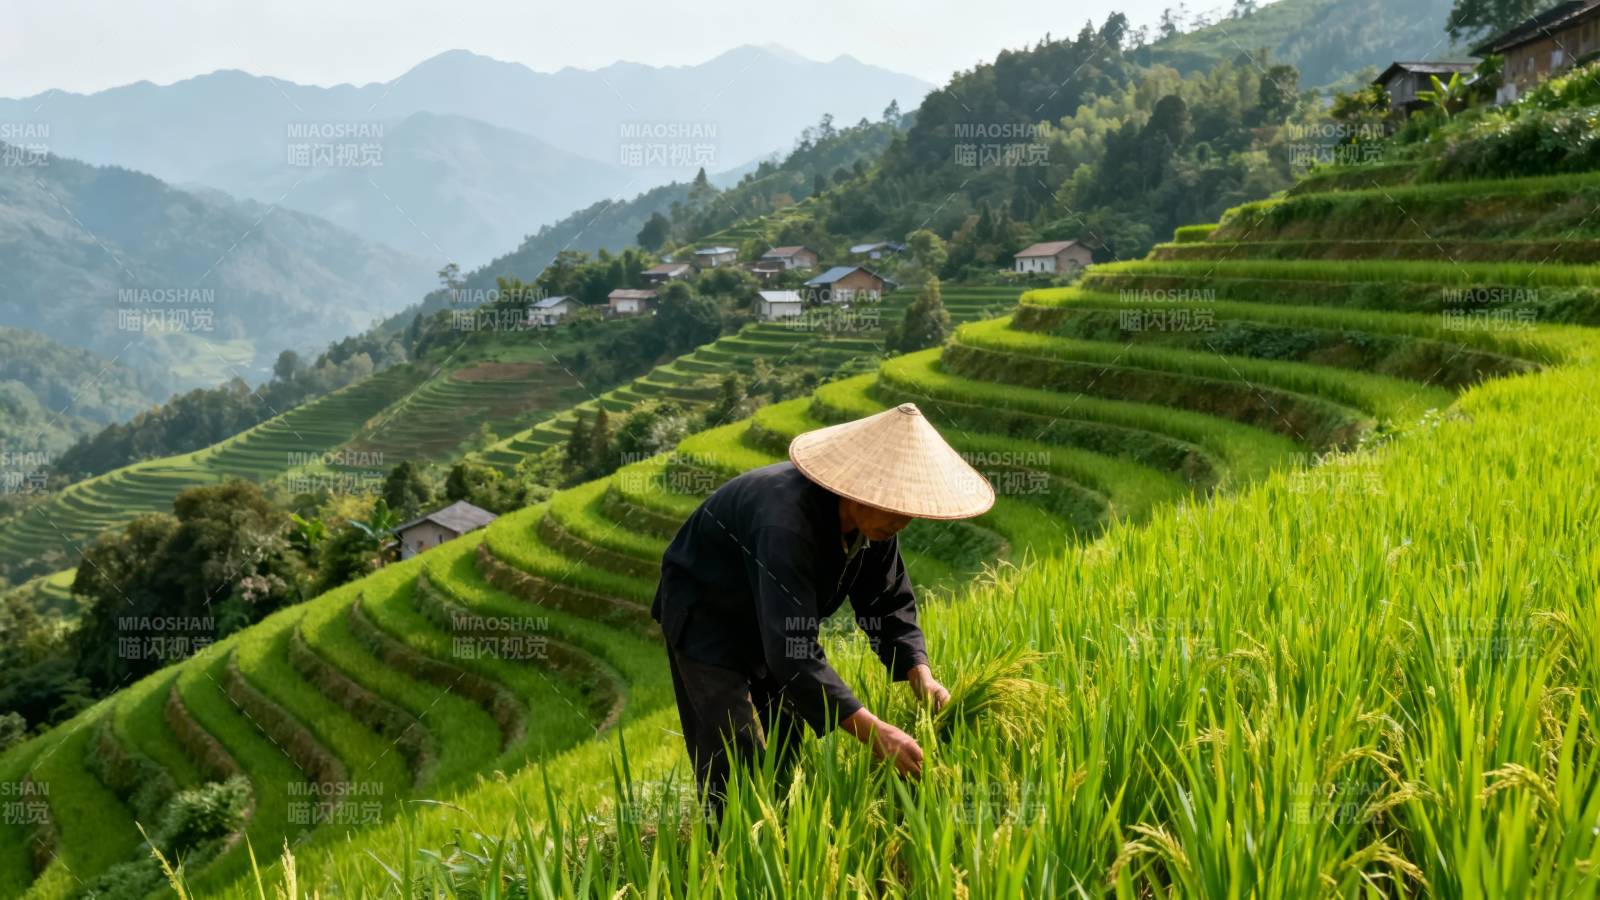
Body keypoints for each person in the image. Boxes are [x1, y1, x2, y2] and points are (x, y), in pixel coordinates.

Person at [650, 402, 995, 818]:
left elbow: (888, 602)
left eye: (909, 510)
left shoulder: (876, 523)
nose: (902, 521)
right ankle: (729, 850)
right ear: (860, 489)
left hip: (771, 615)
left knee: (788, 731)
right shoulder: (786, 524)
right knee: (732, 754)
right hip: (707, 612)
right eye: (896, 507)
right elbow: (792, 649)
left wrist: (919, 674)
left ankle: (785, 826)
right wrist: (876, 733)